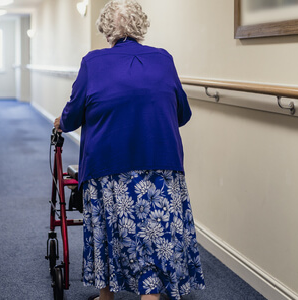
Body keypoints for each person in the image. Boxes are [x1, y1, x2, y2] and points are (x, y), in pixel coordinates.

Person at [53, 1, 205, 299]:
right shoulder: (164, 60)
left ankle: (106, 296)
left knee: (109, 230)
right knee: (156, 232)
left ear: (106, 29)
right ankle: (150, 294)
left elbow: (71, 117)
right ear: (140, 26)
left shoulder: (93, 63)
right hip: (161, 162)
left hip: (108, 165)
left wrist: (62, 121)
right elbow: (183, 114)